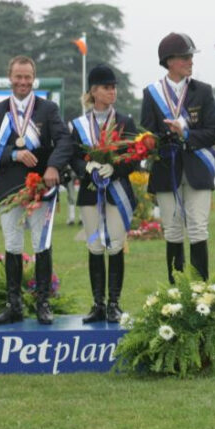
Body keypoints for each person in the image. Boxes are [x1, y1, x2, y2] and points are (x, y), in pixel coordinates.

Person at [0, 55, 73, 325]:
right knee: (12, 245)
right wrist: (13, 154)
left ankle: (43, 303)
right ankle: (14, 306)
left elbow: (64, 141)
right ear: (10, 77)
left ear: (34, 78)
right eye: (18, 76)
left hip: (41, 188)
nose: (23, 81)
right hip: (10, 189)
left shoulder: (48, 109)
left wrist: (54, 167)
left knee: (41, 245)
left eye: (27, 76)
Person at [142, 32, 215, 281]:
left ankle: (201, 290)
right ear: (170, 61)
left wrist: (186, 134)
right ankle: (176, 291)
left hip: (198, 168)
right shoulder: (151, 93)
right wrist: (163, 137)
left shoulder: (203, 91)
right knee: (173, 231)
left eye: (190, 56)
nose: (190, 61)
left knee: (198, 228)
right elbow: (146, 134)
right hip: (167, 168)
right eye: (185, 57)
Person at [69, 64, 138, 323]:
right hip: (89, 192)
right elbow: (73, 156)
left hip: (116, 190)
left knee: (115, 245)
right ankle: (97, 303)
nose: (112, 92)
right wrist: (86, 167)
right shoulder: (79, 124)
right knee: (95, 246)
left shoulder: (124, 121)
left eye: (114, 88)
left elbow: (134, 157)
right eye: (107, 88)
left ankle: (114, 304)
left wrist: (115, 167)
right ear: (94, 92)